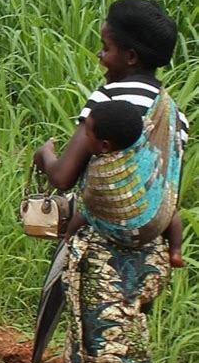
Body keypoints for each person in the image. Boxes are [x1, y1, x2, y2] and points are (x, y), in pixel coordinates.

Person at [33, 0, 188, 363]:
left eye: (105, 47)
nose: (100, 57)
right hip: (145, 260)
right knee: (83, 351)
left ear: (128, 54)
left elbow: (64, 175)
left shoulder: (111, 99)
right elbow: (167, 192)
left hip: (103, 260)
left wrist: (44, 155)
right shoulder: (171, 109)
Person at [65, 99, 184, 268]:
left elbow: (88, 206)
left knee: (84, 212)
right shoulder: (144, 150)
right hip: (154, 225)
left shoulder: (100, 172)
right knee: (171, 211)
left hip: (125, 234)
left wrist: (70, 232)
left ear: (104, 146)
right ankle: (176, 251)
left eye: (87, 135)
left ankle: (66, 238)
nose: (85, 137)